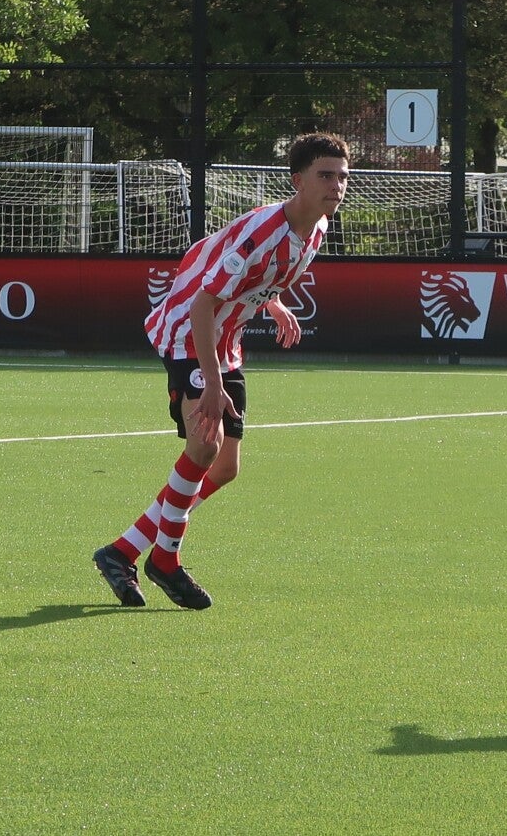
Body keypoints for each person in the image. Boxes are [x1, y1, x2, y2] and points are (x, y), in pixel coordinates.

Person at [92, 132, 351, 609]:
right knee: (204, 445)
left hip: (224, 339)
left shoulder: (317, 227)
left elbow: (257, 276)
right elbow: (202, 303)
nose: (336, 185)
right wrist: (212, 385)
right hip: (188, 331)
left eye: (342, 176)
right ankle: (165, 559)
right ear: (298, 181)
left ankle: (123, 550)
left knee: (225, 467)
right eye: (325, 175)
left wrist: (274, 304)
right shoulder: (263, 232)